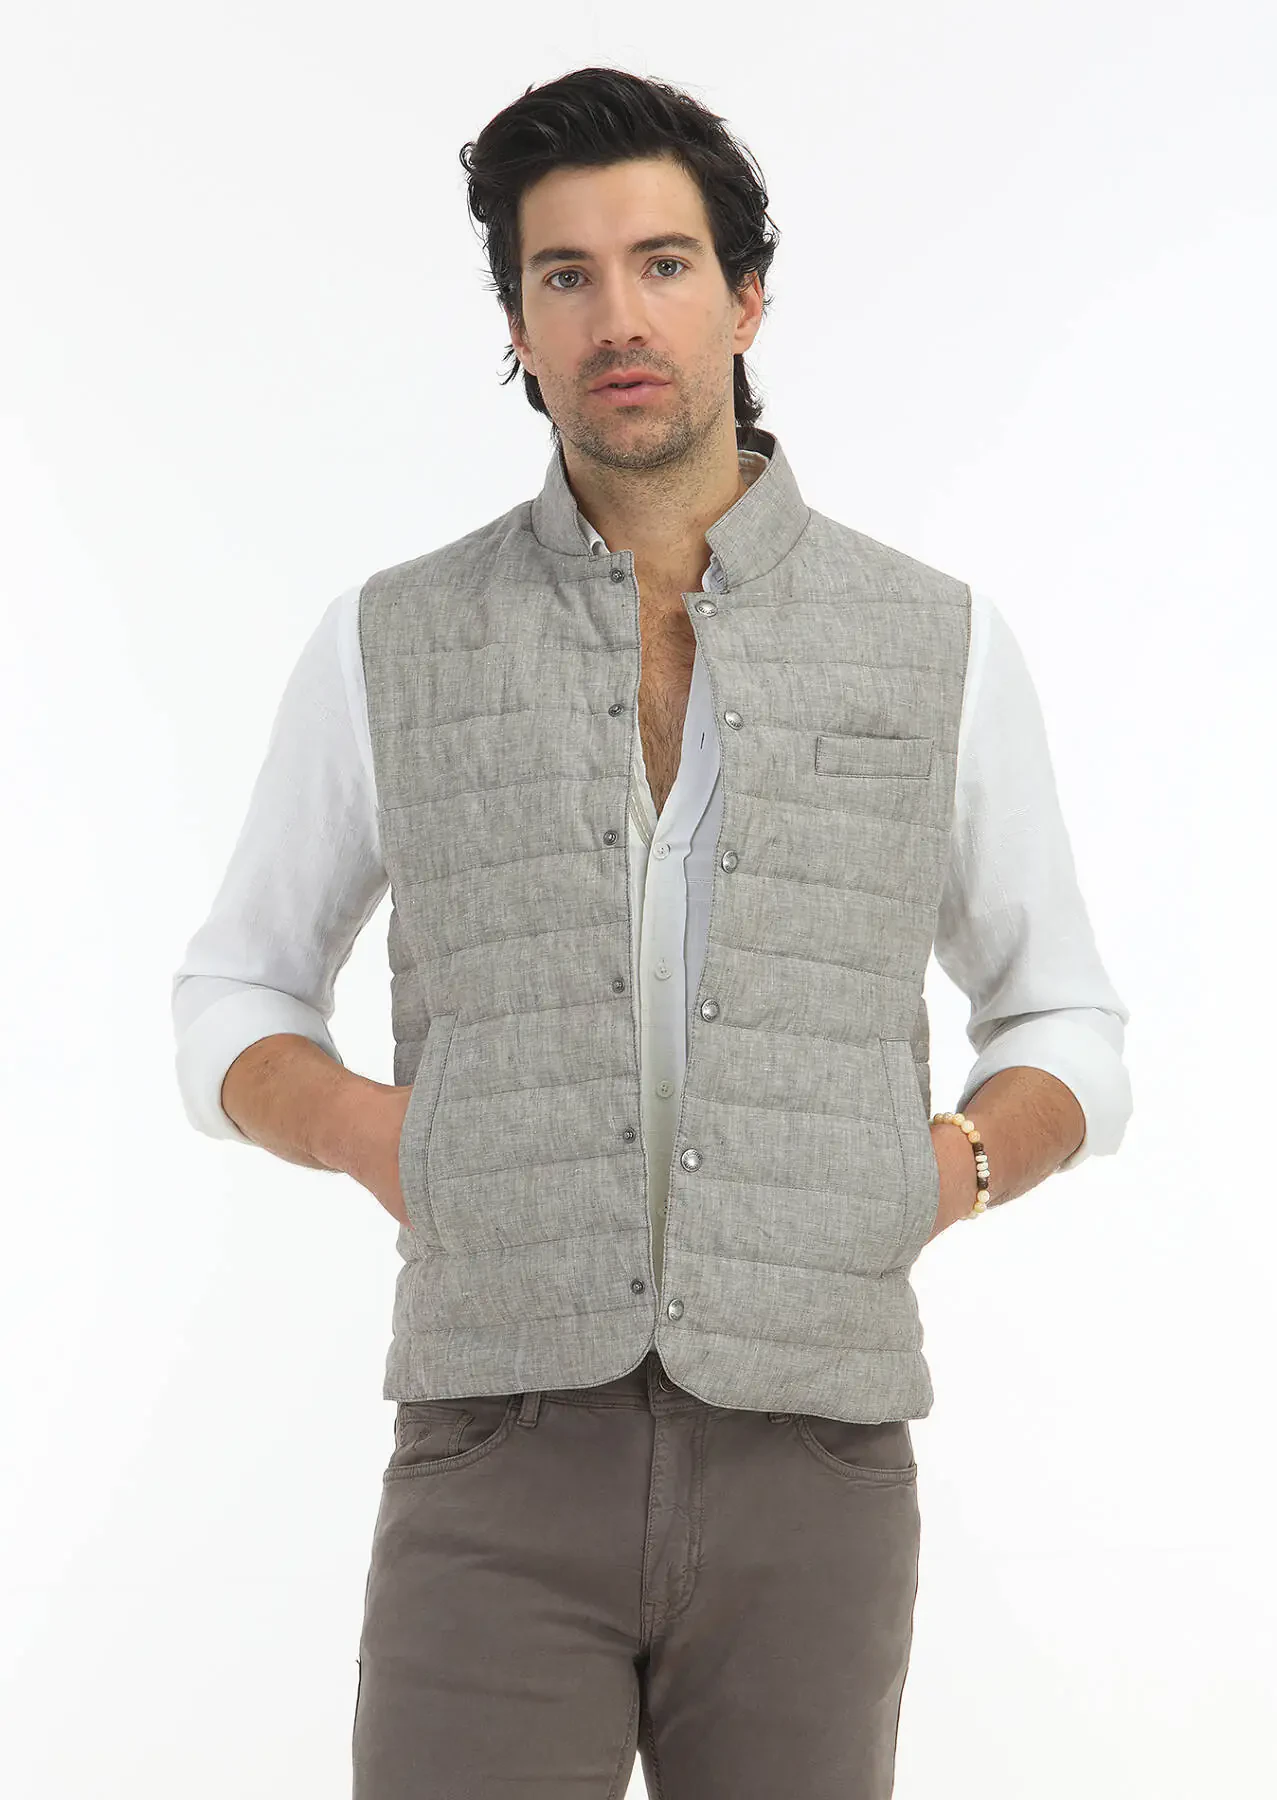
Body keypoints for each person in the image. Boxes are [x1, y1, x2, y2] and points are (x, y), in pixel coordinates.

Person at [171, 64, 1132, 1800]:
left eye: (664, 264)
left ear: (746, 298)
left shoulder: (937, 641)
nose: (618, 315)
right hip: (495, 1452)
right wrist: (380, 1138)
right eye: (567, 275)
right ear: (518, 331)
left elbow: (1064, 1019)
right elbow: (235, 992)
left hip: (814, 1460)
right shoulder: (391, 641)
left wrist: (953, 1172)